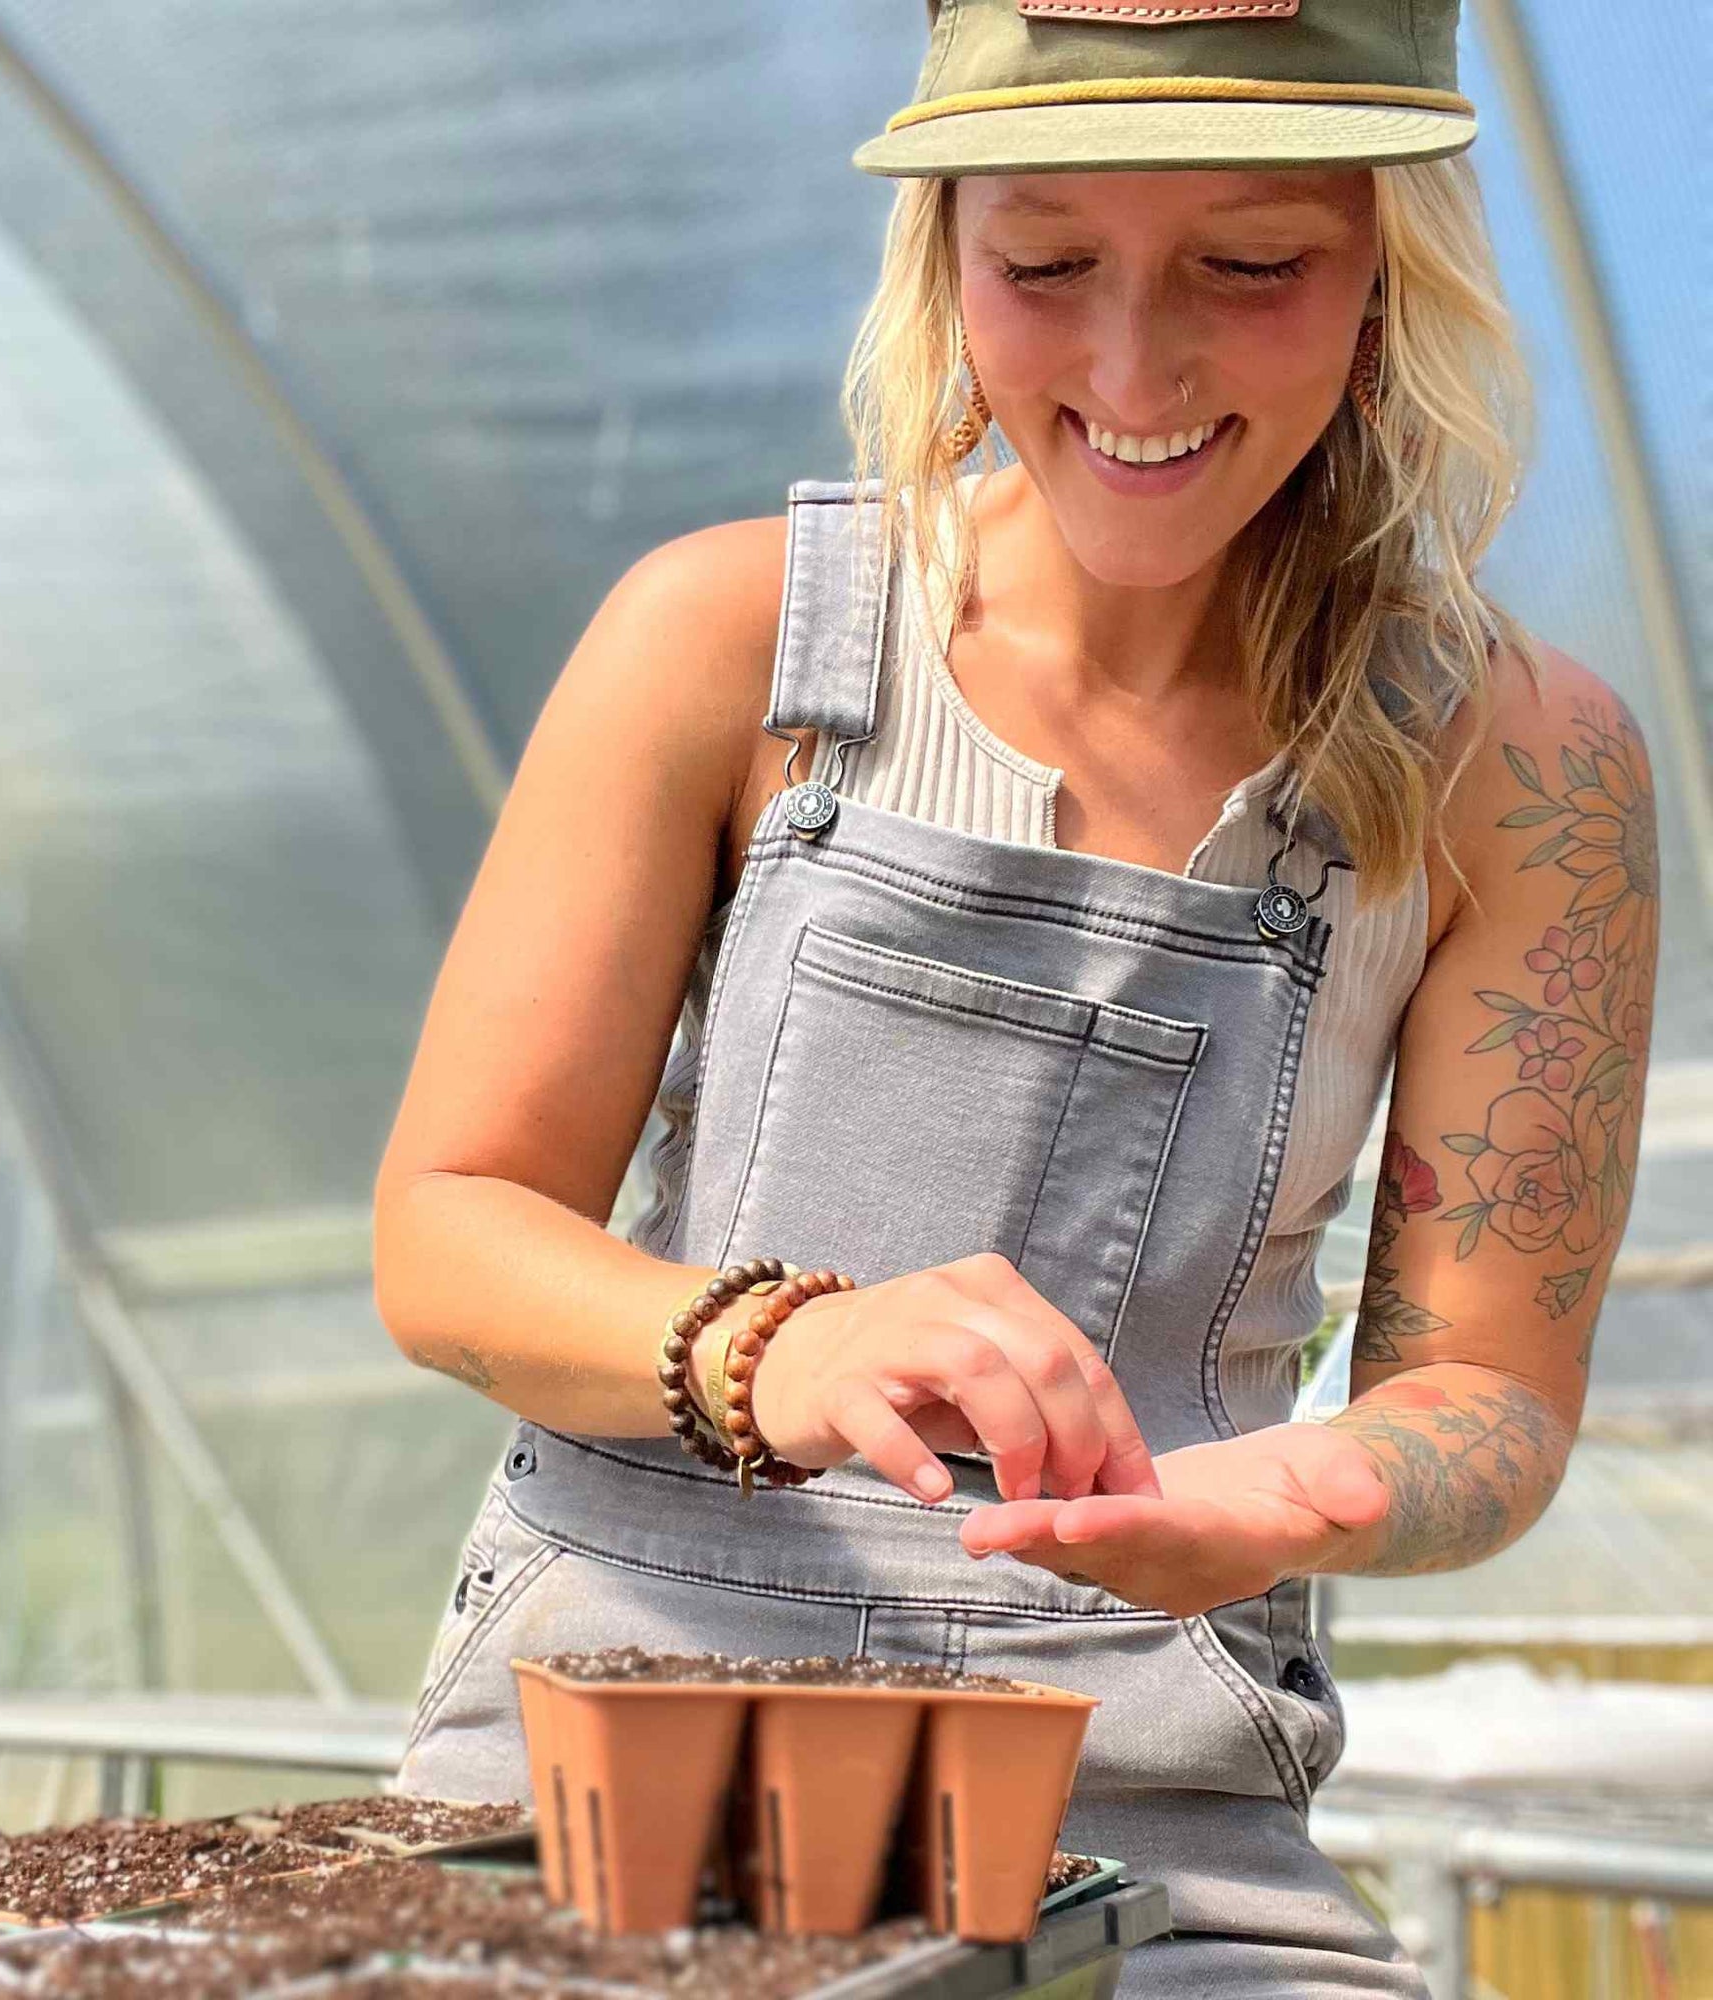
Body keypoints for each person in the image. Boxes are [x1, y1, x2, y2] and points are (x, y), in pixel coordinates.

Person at [371, 1, 1658, 1991]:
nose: (1131, 369)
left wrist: (1306, 1485)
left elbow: (1483, 1392)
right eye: (1042, 264)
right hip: (620, 1759)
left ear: (1391, 271)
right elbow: (447, 1231)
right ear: (941, 253)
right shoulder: (722, 642)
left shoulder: (1523, 768)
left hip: (1139, 1805)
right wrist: (774, 1349)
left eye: (1248, 266)